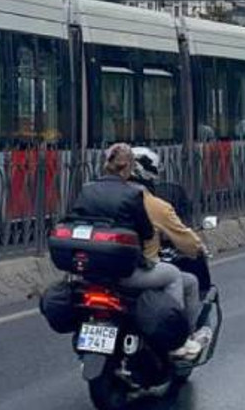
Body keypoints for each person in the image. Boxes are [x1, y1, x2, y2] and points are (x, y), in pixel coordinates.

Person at [72, 143, 204, 360]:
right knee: (175, 276)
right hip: (128, 272)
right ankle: (176, 340)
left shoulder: (89, 190)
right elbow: (145, 232)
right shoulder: (140, 200)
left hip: (94, 271)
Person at [131, 148, 213, 351]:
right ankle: (177, 338)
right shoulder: (153, 204)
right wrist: (198, 248)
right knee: (179, 278)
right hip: (133, 270)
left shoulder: (99, 196)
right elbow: (185, 239)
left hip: (97, 270)